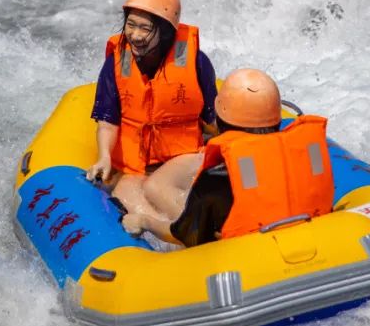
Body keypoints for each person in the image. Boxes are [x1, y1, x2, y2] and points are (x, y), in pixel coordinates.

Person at [128, 68, 335, 246]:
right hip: (315, 241)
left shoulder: (219, 176)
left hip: (246, 263)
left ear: (220, 119)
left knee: (150, 191)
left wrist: (145, 222)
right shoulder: (308, 154)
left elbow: (188, 236)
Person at [85, 0, 218, 226]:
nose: (135, 35)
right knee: (126, 195)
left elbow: (212, 121)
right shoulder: (117, 63)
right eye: (131, 25)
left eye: (145, 29)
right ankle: (168, 237)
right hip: (136, 167)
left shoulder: (196, 63)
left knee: (158, 188)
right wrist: (104, 157)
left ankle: (198, 230)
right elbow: (107, 122)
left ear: (167, 31)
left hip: (182, 158)